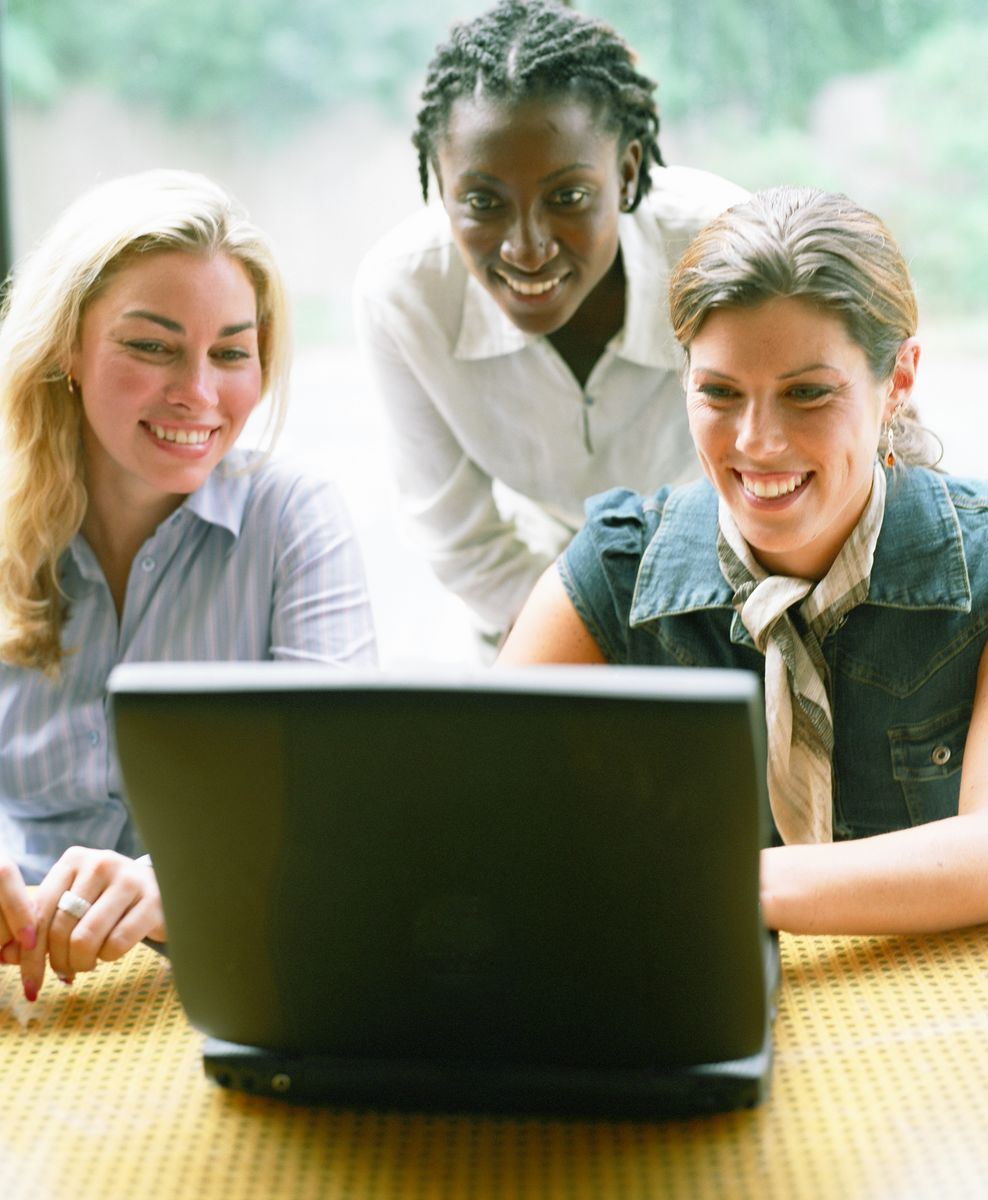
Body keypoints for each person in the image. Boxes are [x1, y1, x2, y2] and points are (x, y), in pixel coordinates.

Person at [499, 185, 988, 936]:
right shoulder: (619, 567)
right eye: (720, 393)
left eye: (807, 394)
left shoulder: (981, 568)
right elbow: (476, 812)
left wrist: (720, 879)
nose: (757, 441)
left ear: (899, 380)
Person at [0, 169, 376, 1000]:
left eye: (232, 352)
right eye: (151, 345)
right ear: (68, 347)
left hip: (224, 983)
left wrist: (177, 883)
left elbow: (343, 812)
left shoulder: (294, 520)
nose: (200, 393)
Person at [354, 0, 745, 643]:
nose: (526, 248)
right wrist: (594, 643)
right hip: (542, 588)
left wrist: (699, 634)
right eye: (482, 202)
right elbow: (464, 542)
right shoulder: (403, 295)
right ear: (438, 183)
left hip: (733, 569)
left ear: (625, 173)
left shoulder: (722, 246)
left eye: (568, 197)